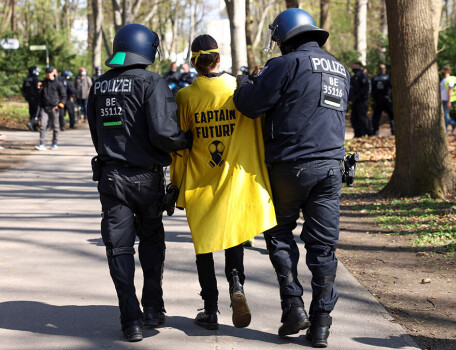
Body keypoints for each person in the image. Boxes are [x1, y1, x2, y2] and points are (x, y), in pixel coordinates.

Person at [233, 8, 349, 348]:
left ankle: (294, 305)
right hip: (331, 168)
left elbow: (252, 106)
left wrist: (244, 84)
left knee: (280, 234)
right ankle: (321, 326)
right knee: (323, 246)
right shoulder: (340, 69)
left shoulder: (284, 65)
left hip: (290, 166)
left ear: (284, 39)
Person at [87, 23, 191, 343]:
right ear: (147, 49)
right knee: (151, 242)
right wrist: (185, 141)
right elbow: (163, 132)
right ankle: (153, 308)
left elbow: (95, 131)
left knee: (118, 248)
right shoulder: (151, 81)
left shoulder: (99, 85)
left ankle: (129, 319)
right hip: (146, 179)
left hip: (110, 177)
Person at [170, 34, 276, 331]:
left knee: (204, 247)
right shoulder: (239, 89)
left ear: (195, 63)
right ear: (219, 59)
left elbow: (179, 147)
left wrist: (175, 187)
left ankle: (210, 309)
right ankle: (237, 285)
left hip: (201, 182)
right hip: (237, 181)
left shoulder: (186, 97)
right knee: (234, 238)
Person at [35, 67, 67, 151]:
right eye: (47, 73)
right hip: (44, 108)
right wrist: (38, 89)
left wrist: (60, 106)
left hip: (54, 108)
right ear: (45, 74)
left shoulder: (58, 83)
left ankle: (54, 143)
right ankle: (42, 144)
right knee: (42, 126)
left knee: (55, 126)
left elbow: (64, 96)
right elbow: (38, 95)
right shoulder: (43, 83)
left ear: (53, 73)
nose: (48, 74)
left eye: (50, 72)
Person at [349, 62, 373, 138]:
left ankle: (369, 133)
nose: (353, 68)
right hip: (354, 102)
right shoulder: (353, 78)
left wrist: (356, 97)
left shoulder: (363, 77)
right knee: (354, 119)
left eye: (354, 66)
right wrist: (350, 99)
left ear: (359, 66)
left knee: (363, 118)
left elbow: (365, 89)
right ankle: (358, 134)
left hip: (361, 101)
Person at [371, 64, 394, 136]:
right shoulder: (389, 77)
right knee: (392, 116)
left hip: (378, 100)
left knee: (376, 117)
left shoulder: (374, 78)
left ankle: (376, 132)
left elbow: (372, 90)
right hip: (387, 99)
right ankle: (393, 131)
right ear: (385, 70)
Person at [440, 65, 456, 134]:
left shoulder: (450, 79)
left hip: (447, 100)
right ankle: (454, 124)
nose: (442, 72)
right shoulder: (444, 80)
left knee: (444, 116)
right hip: (442, 100)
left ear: (446, 71)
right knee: (444, 115)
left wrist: (449, 102)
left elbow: (450, 90)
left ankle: (445, 131)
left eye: (443, 70)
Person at [22, 66, 41, 132]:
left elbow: (23, 89)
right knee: (37, 112)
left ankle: (33, 127)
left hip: (29, 98)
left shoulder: (27, 79)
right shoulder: (35, 79)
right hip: (35, 97)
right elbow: (38, 88)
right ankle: (31, 123)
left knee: (32, 111)